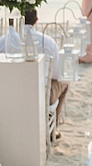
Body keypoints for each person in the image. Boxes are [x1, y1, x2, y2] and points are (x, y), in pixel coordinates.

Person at [23, 10, 69, 140]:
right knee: (64, 84)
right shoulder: (48, 41)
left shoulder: (5, 40)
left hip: (15, 93)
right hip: (42, 95)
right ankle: (52, 129)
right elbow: (56, 75)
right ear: (36, 20)